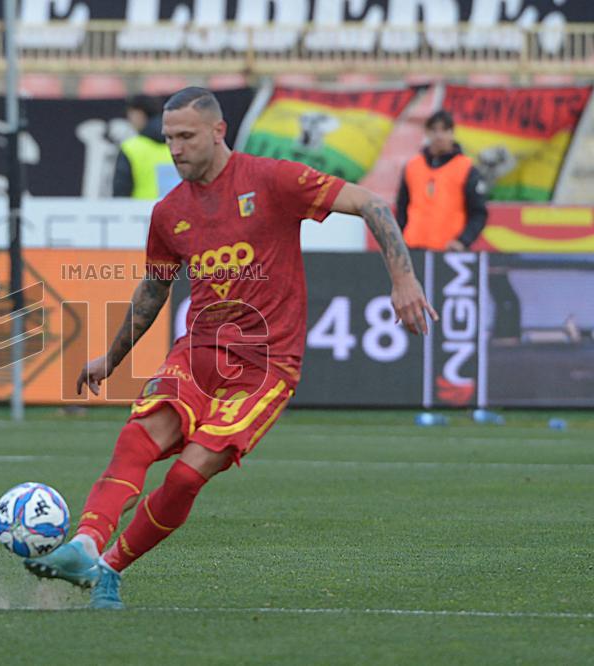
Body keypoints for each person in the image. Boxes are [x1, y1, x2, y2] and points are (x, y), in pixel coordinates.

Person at [25, 87, 437, 609]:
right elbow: (154, 289)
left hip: (264, 370)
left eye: (186, 137)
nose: (175, 148)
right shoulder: (169, 212)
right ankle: (85, 543)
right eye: (168, 137)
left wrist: (403, 280)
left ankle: (109, 568)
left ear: (219, 132)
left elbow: (371, 202)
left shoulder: (272, 180)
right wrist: (112, 358)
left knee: (184, 475)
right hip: (197, 354)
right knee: (136, 440)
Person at [396, 110, 488, 251]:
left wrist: (463, 241)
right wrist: (400, 238)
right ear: (427, 133)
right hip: (413, 247)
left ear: (452, 133)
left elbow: (478, 213)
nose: (439, 136)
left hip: (448, 250)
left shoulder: (466, 168)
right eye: (434, 130)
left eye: (444, 130)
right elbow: (402, 207)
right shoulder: (412, 166)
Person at [114, 94, 179, 200]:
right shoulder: (180, 143)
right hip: (176, 214)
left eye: (130, 115)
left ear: (139, 113)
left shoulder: (130, 148)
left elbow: (120, 194)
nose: (130, 120)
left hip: (139, 214)